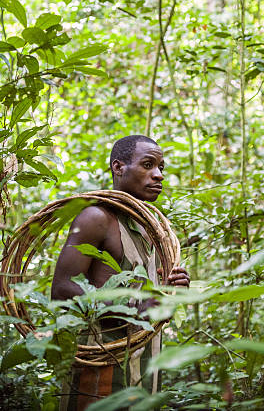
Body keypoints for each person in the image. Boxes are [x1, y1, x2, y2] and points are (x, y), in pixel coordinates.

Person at [52, 135, 189, 410]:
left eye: (161, 167)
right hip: (100, 366)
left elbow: (155, 305)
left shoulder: (153, 231)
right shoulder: (96, 218)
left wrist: (173, 291)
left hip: (147, 366)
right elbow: (62, 290)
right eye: (148, 165)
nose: (158, 175)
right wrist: (132, 307)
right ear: (118, 167)